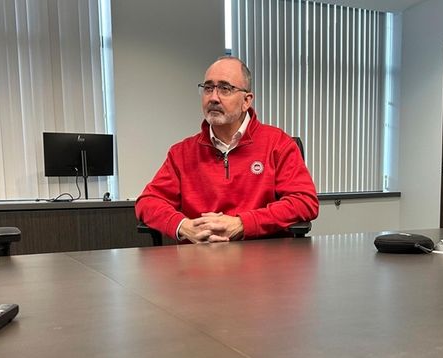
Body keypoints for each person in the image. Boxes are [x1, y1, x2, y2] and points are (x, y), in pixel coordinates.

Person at [135, 56, 319, 243]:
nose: (213, 98)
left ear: (246, 100)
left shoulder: (278, 144)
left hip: (262, 258)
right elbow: (148, 202)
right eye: (208, 88)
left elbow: (304, 202)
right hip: (199, 261)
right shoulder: (181, 153)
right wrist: (183, 226)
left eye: (225, 88)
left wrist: (243, 224)